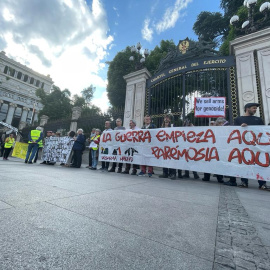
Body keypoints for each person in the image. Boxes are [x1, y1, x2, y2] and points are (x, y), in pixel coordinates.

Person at [224, 103, 270, 191]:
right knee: (244, 164)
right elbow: (234, 132)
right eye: (253, 108)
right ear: (247, 109)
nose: (255, 110)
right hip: (243, 146)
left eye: (256, 108)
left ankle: (262, 184)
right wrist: (240, 128)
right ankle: (244, 182)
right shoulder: (239, 119)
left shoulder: (258, 119)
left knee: (259, 164)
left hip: (257, 146)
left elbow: (263, 131)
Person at [202, 117, 229, 183]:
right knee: (209, 163)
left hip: (217, 149)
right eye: (219, 123)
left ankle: (219, 178)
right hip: (211, 148)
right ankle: (207, 177)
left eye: (220, 123)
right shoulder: (214, 128)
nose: (220, 124)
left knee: (217, 163)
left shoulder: (224, 129)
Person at [159, 115, 177, 180]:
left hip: (171, 145)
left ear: (170, 119)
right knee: (164, 159)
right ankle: (165, 173)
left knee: (171, 159)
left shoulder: (172, 125)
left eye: (167, 118)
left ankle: (172, 173)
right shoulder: (162, 126)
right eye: (165, 118)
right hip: (164, 145)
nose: (166, 119)